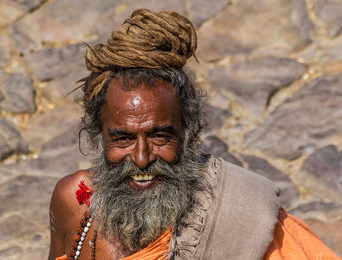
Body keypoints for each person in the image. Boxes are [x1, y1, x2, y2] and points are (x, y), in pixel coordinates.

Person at [48, 9, 340, 260]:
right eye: (123, 138)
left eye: (160, 136)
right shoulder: (74, 201)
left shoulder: (244, 213)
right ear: (99, 137)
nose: (141, 158)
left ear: (188, 132)